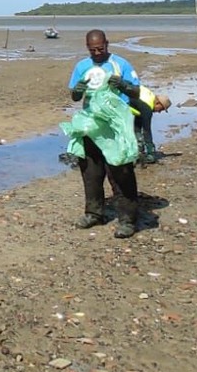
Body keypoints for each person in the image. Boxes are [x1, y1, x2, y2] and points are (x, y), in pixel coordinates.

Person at [67, 30, 141, 238]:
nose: (98, 53)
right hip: (91, 125)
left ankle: (127, 219)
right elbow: (74, 96)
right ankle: (94, 213)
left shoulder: (121, 64)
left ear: (107, 44)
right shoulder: (82, 66)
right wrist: (78, 89)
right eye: (93, 50)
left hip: (116, 126)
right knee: (91, 171)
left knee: (121, 173)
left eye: (101, 48)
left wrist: (124, 85)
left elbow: (137, 92)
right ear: (87, 47)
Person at [128, 87, 171, 164]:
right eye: (161, 109)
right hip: (113, 102)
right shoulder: (147, 108)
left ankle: (138, 149)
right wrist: (151, 152)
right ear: (158, 103)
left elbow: (138, 124)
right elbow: (147, 131)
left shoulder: (148, 96)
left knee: (137, 126)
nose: (159, 112)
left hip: (119, 96)